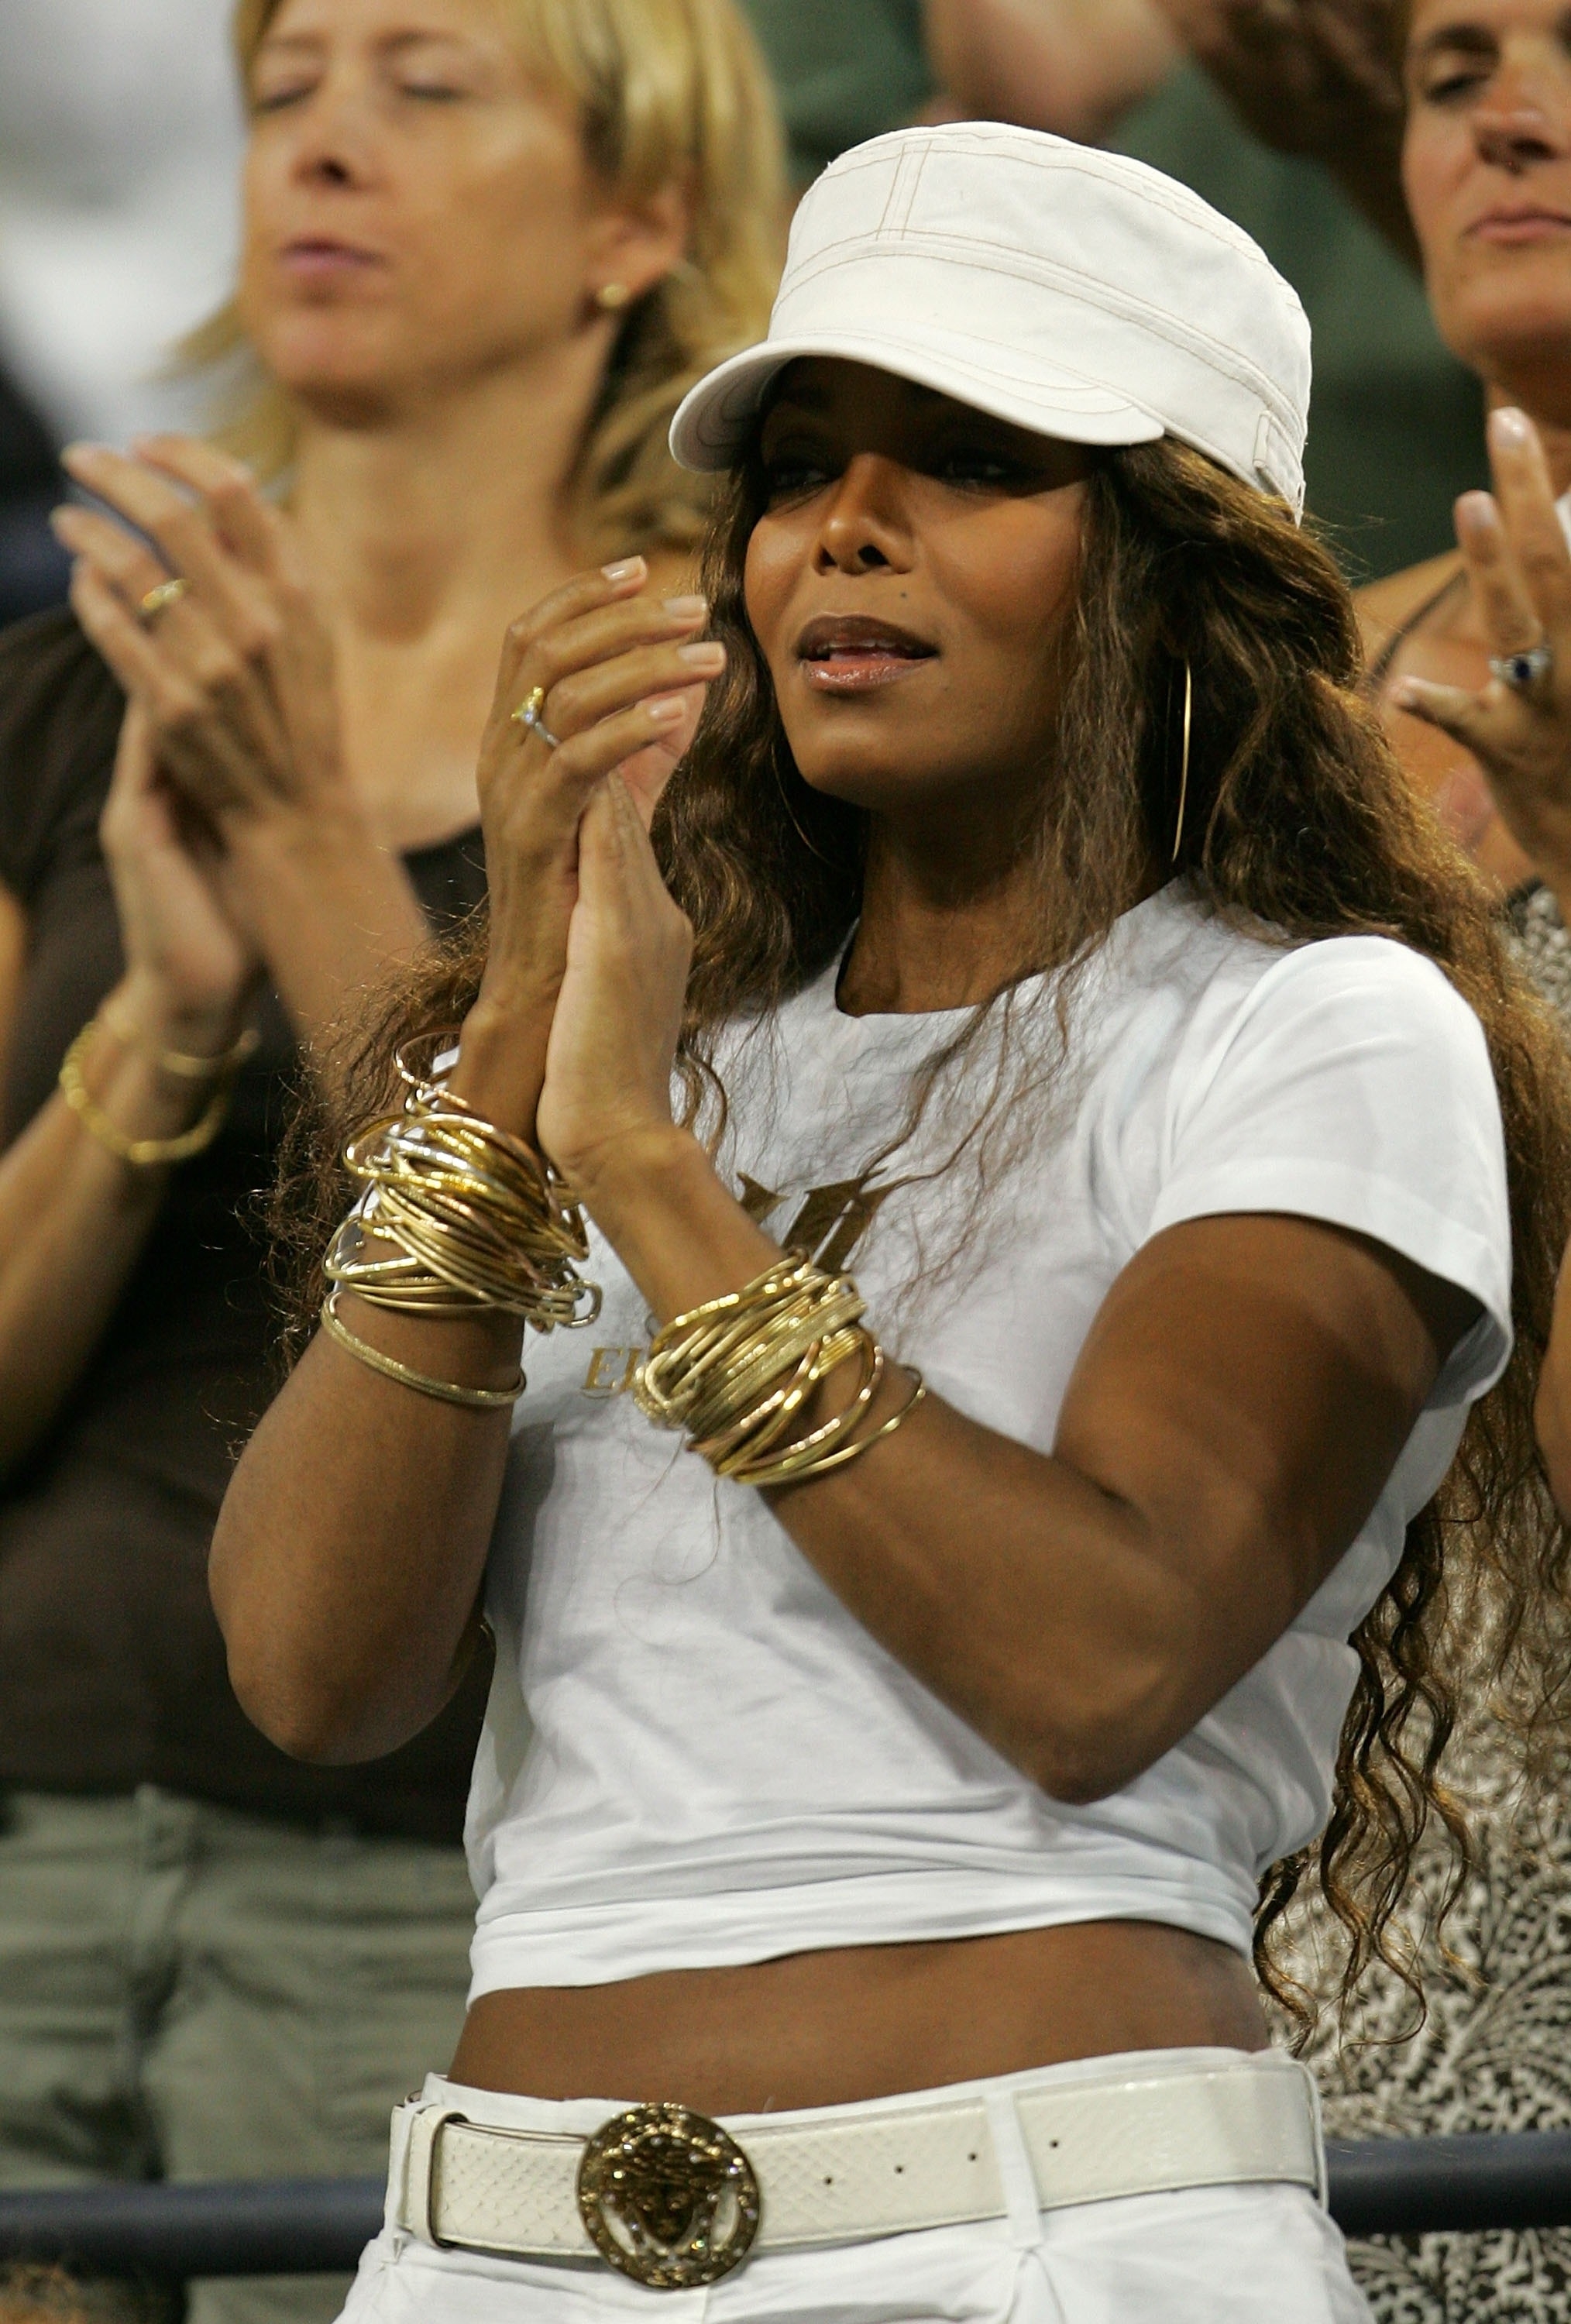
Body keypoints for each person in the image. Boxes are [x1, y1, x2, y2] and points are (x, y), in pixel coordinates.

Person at [209, 123, 1568, 2322]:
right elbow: (311, 1670)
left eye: (963, 457)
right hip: (489, 2256)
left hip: (1052, 2242)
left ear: (1163, 558)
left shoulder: (1318, 1034)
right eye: (801, 465)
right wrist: (523, 1042)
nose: (845, 522)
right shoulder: (625, 1053)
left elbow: (1092, 1664)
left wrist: (646, 1171)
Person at [0, 4, 781, 2322]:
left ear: (634, 219)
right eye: (282, 92)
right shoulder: (67, 690)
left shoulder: (704, 711)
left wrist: (300, 830)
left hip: (421, 1867)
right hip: (21, 1817)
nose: (323, 144)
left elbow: (597, 1313)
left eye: (424, 89)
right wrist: (153, 1021)